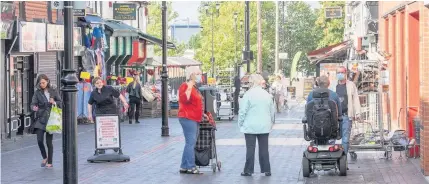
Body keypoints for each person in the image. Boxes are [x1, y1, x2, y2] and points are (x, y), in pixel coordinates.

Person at [238, 74, 275, 177]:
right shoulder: (267, 95)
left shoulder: (248, 95)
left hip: (250, 126)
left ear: (251, 82)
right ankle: (266, 169)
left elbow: (242, 111)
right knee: (264, 148)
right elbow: (272, 110)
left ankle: (248, 170)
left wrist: (240, 123)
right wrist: (272, 122)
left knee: (250, 148)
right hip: (264, 125)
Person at [178, 66, 207, 174]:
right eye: (198, 74)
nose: (200, 76)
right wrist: (190, 86)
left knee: (190, 142)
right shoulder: (186, 86)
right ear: (192, 75)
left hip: (193, 117)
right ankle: (190, 166)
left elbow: (195, 103)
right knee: (190, 142)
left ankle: (184, 166)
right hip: (188, 117)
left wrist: (202, 114)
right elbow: (185, 99)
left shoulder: (194, 87)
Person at [31, 74, 62, 168]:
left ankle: (50, 162)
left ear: (47, 81)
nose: (42, 84)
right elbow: (33, 103)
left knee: (49, 142)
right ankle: (45, 157)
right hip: (41, 118)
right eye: (40, 83)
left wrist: (54, 102)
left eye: (43, 82)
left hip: (51, 119)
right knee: (39, 140)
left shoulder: (53, 91)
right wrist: (34, 107)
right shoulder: (37, 92)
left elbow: (61, 103)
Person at [336, 66, 361, 157]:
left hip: (346, 116)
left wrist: (357, 113)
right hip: (334, 118)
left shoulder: (351, 85)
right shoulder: (333, 86)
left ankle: (343, 158)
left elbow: (356, 100)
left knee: (345, 139)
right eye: (338, 72)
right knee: (331, 139)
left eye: (342, 72)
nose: (340, 74)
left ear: (345, 73)